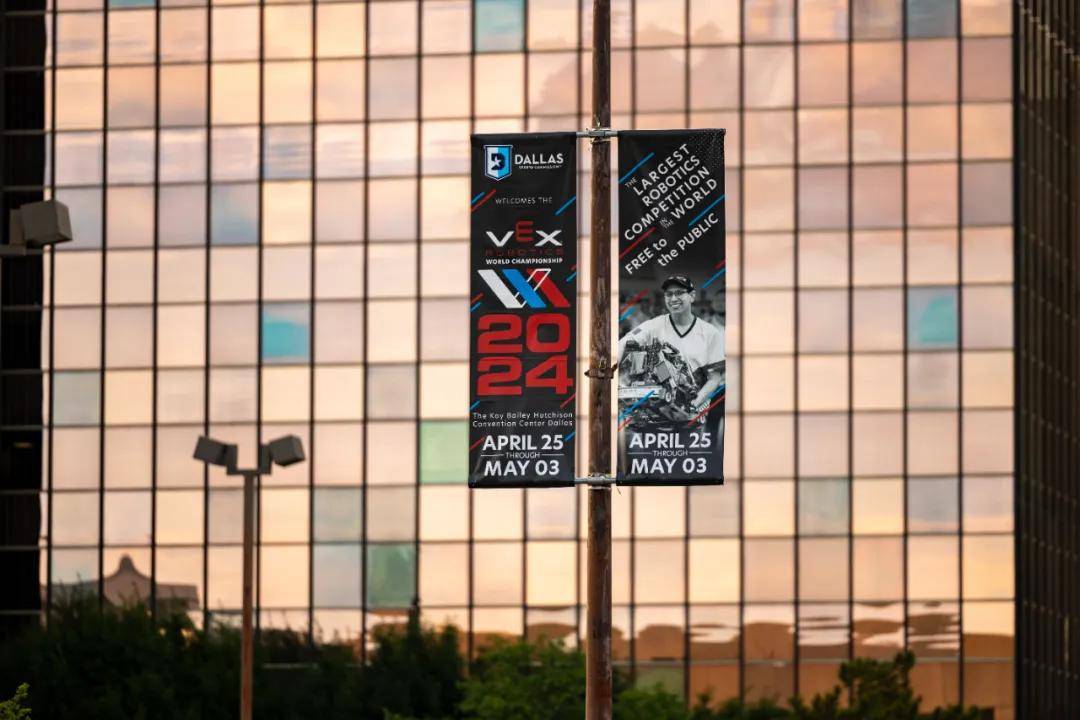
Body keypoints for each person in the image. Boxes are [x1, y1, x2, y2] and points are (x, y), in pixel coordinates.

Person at [617, 274, 725, 414]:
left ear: (692, 296)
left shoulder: (710, 332)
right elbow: (625, 342)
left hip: (694, 412)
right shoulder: (652, 326)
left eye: (679, 293)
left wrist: (695, 404)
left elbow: (715, 378)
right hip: (655, 413)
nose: (673, 298)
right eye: (669, 294)